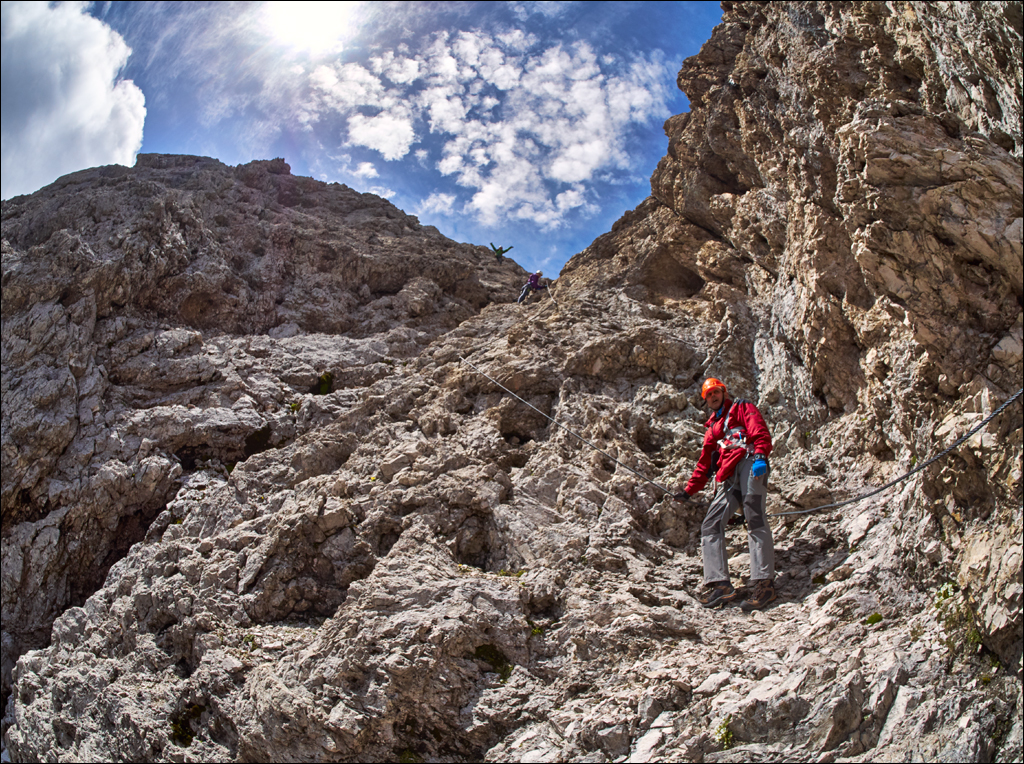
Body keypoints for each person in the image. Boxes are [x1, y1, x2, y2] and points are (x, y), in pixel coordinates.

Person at [675, 378, 776, 610]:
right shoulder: (712, 429)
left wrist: (761, 455)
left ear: (724, 392)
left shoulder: (741, 407)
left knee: (754, 515)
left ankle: (764, 584)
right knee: (710, 524)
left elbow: (758, 429)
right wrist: (688, 491)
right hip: (729, 477)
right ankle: (720, 585)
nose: (713, 396)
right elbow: (704, 465)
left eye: (716, 392)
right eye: (709, 395)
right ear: (705, 400)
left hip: (750, 463)